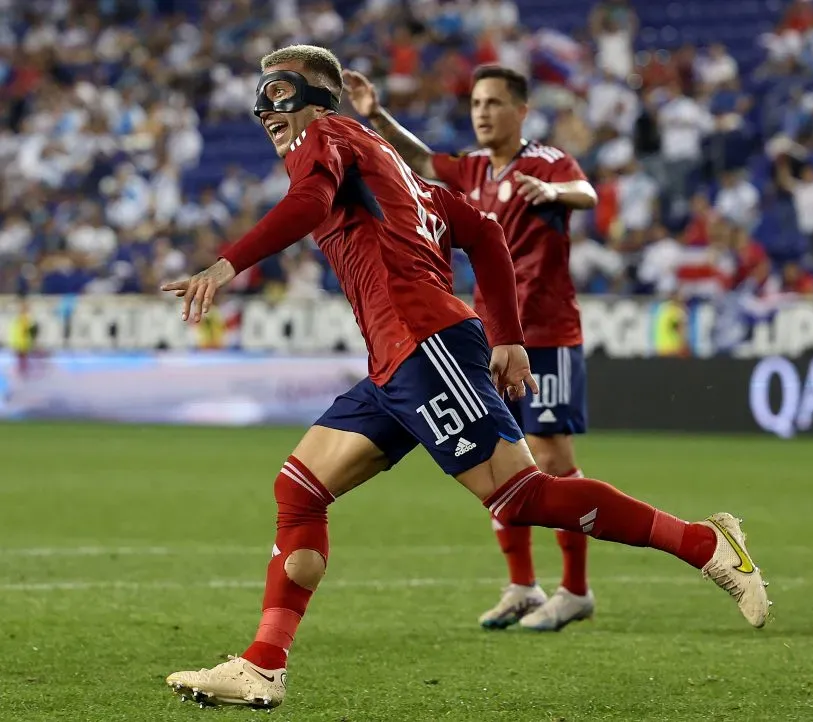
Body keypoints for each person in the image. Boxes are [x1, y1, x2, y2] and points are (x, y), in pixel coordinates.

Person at [162, 45, 771, 711]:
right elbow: (479, 228)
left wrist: (225, 266)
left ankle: (705, 544)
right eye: (259, 98)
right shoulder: (391, 166)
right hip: (398, 360)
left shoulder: (329, 136)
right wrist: (506, 336)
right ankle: (263, 665)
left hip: (424, 345)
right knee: (299, 490)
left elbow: (310, 202)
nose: (263, 109)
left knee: (519, 497)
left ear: (315, 97)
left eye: (276, 93)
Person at [344, 64, 601, 632]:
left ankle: (576, 590)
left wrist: (555, 191)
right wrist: (375, 115)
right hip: (488, 341)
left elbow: (586, 192)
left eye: (493, 102)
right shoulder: (475, 170)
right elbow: (420, 161)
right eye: (477, 103)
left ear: (521, 111)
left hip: (549, 337)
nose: (481, 112)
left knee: (553, 461)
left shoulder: (546, 163)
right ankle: (521, 587)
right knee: (502, 458)